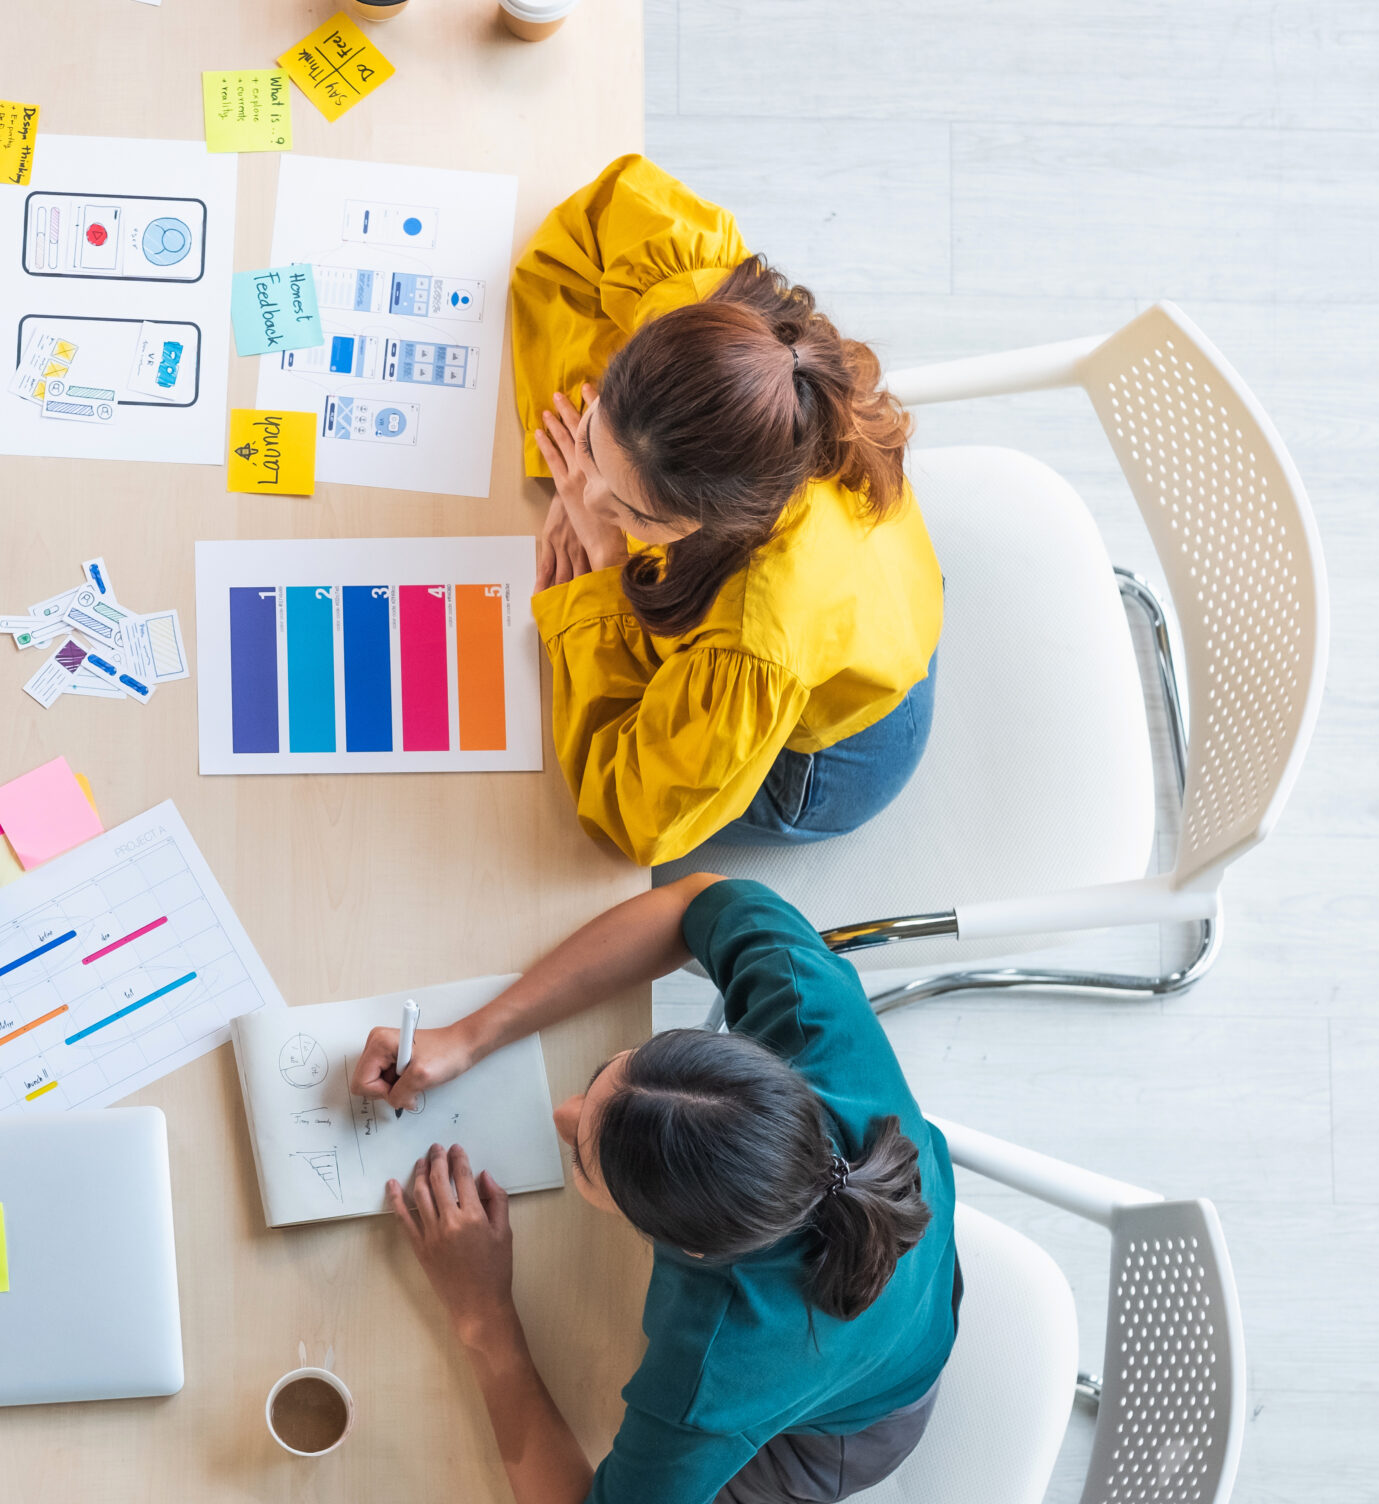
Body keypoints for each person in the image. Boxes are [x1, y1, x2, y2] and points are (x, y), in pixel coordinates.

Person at [353, 873, 958, 1504]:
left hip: (848, 1428)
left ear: (693, 1253)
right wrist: (470, 1035)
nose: (561, 1112)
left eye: (586, 1164)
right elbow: (696, 897)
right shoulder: (811, 1016)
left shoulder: (717, 1368)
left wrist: (482, 1312)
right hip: (901, 1289)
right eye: (603, 1080)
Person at [511, 155, 942, 863]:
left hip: (839, 751)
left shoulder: (753, 638)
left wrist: (609, 575)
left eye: (633, 510)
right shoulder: (716, 331)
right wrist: (581, 461)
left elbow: (632, 816)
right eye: (596, 439)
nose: (587, 495)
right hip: (879, 605)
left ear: (711, 524)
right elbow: (595, 220)